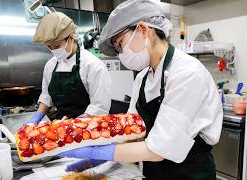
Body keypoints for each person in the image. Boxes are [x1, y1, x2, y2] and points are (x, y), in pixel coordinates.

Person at [59, 0, 223, 179]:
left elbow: (159, 149)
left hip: (190, 173)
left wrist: (99, 152)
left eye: (120, 44)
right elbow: (133, 132)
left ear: (144, 29)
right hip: (153, 172)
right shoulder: (142, 77)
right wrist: (97, 144)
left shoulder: (187, 73)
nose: (121, 54)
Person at [25, 12, 112, 124]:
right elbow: (46, 96)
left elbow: (99, 106)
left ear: (71, 38)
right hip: (60, 126)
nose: (53, 50)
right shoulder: (50, 66)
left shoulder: (93, 65)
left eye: (56, 46)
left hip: (89, 128)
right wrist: (38, 116)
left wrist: (73, 125)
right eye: (49, 47)